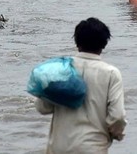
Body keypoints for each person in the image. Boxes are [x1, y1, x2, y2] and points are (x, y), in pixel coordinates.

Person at [35, 17, 127, 153]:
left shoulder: (61, 69)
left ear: (76, 42)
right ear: (104, 44)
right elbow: (117, 117)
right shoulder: (111, 74)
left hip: (60, 147)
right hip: (93, 147)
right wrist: (116, 134)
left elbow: (43, 107)